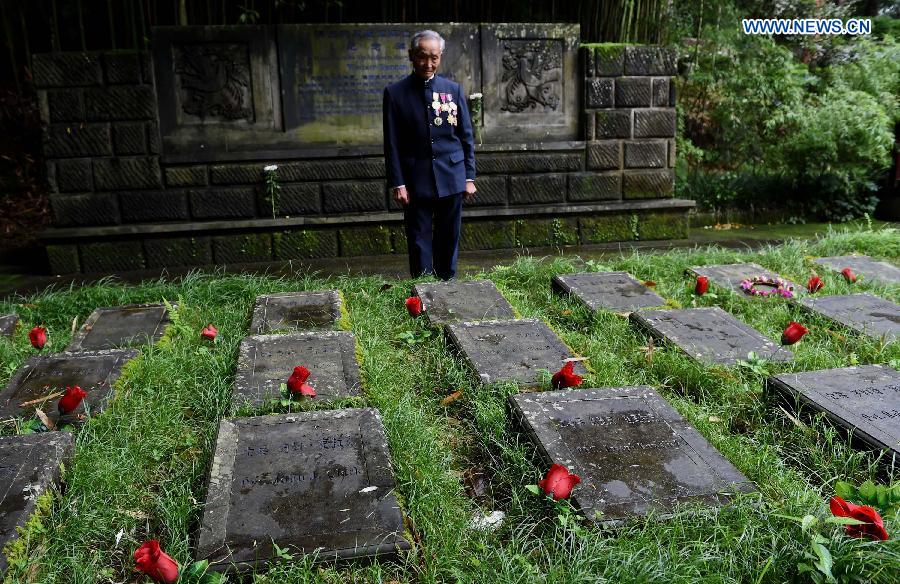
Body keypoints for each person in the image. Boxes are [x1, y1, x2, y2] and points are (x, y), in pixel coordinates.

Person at [383, 29, 476, 280]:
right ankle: (423, 290)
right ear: (412, 56)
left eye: (434, 57)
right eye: (423, 57)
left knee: (449, 235)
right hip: (415, 179)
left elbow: (466, 136)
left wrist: (469, 177)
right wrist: (398, 182)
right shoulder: (395, 93)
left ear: (441, 57)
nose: (428, 63)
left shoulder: (453, 90)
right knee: (418, 237)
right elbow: (391, 143)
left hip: (452, 175)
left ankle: (448, 284)